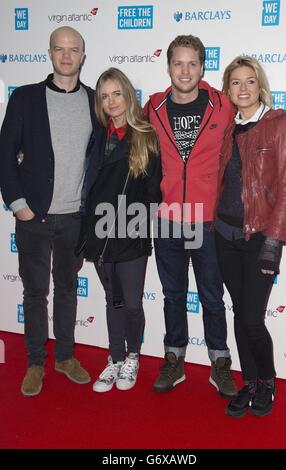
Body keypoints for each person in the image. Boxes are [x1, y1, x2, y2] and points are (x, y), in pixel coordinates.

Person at [0, 26, 105, 396]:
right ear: (49, 53)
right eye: (59, 49)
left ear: (82, 56)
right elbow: (5, 156)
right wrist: (18, 205)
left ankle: (64, 357)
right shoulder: (25, 99)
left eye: (73, 49)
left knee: (67, 289)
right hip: (34, 218)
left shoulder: (95, 102)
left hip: (74, 219)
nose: (66, 56)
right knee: (34, 293)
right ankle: (34, 363)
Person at [144, 35, 237, 398]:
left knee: (212, 297)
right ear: (168, 66)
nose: (185, 71)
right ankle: (174, 359)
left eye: (192, 63)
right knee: (172, 295)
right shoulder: (151, 107)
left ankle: (219, 362)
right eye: (178, 63)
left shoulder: (223, 105)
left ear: (203, 66)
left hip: (206, 221)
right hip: (167, 219)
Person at [215, 55, 286, 417]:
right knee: (239, 313)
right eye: (236, 82)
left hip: (259, 238)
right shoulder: (228, 129)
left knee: (251, 317)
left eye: (250, 81)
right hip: (223, 235)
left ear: (259, 84)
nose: (243, 88)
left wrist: (272, 244)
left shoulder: (280, 125)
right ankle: (248, 380)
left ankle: (267, 380)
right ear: (228, 89)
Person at [77, 67, 161, 393]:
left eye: (116, 93)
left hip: (131, 232)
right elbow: (87, 183)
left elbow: (154, 191)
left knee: (133, 303)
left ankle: (133, 356)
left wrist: (134, 223)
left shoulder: (146, 135)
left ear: (127, 94)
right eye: (104, 96)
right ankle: (114, 357)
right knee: (113, 300)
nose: (111, 102)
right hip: (99, 232)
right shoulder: (97, 135)